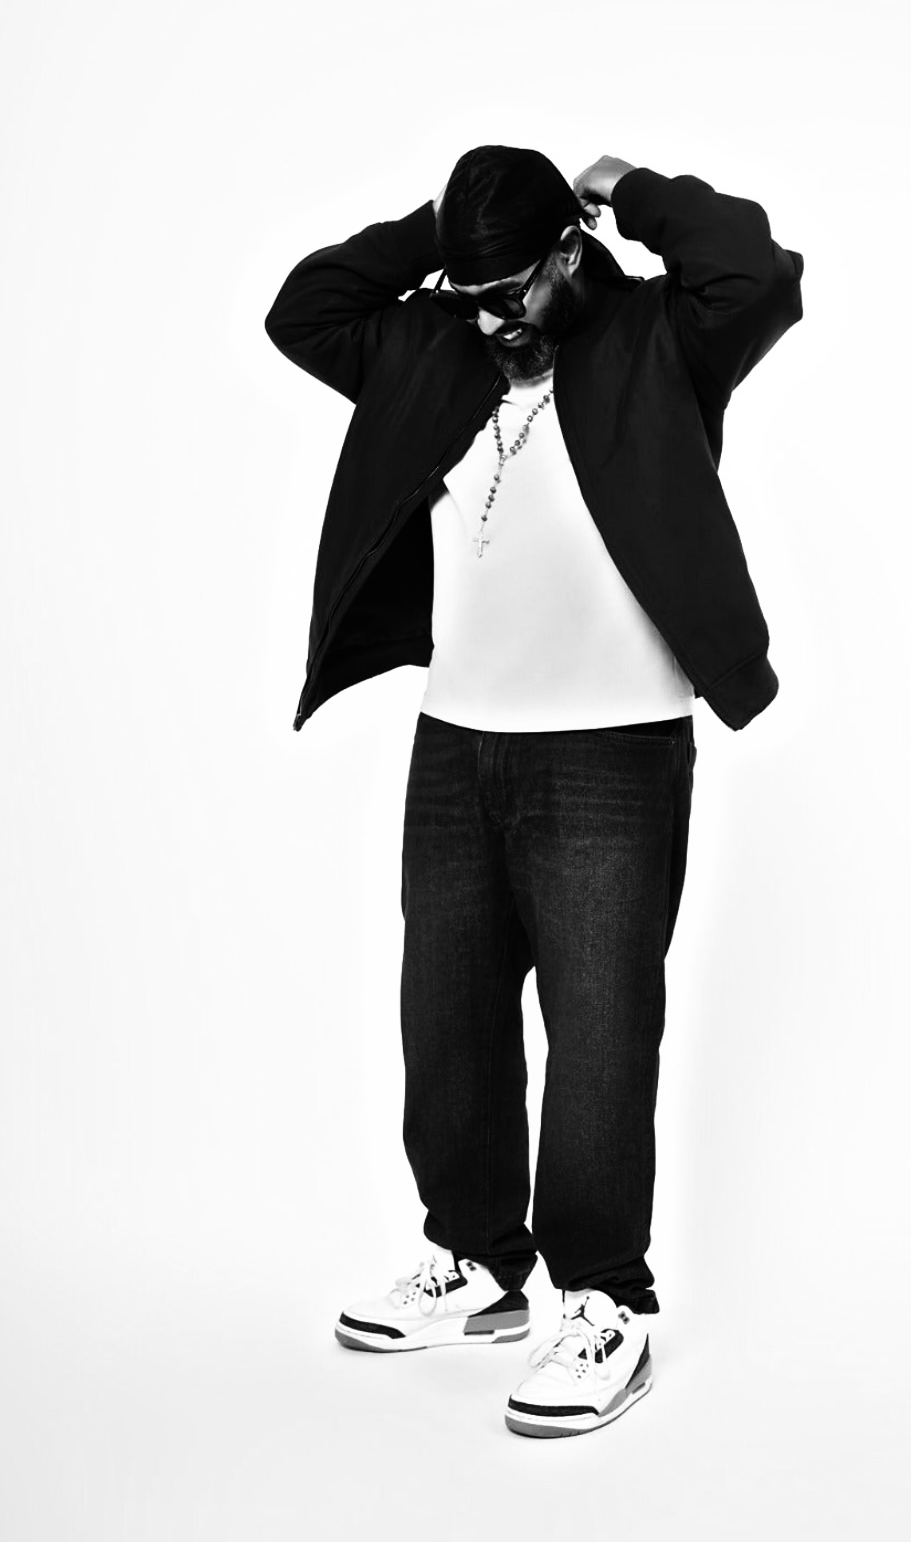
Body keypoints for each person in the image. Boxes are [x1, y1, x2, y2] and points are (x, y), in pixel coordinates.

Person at [264, 147, 804, 1438]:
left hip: (612, 748)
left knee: (601, 1030)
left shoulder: (661, 342)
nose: (496, 320)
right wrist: (444, 238)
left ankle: (606, 1301)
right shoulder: (433, 348)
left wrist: (625, 189)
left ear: (573, 253)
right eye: (472, 296)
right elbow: (305, 310)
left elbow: (758, 272)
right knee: (445, 1014)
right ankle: (477, 1264)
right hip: (458, 741)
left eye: (517, 289)